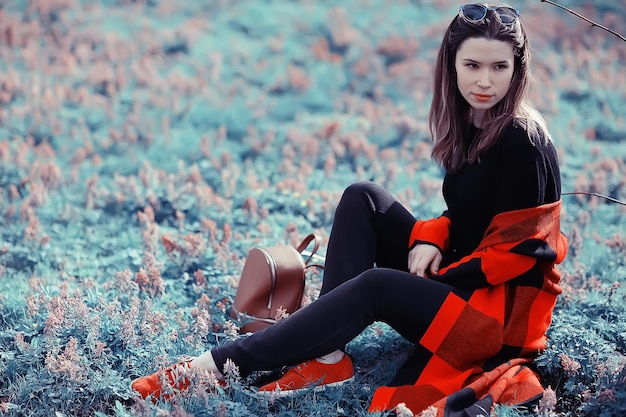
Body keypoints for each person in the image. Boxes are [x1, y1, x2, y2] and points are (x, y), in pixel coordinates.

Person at [131, 3, 568, 415]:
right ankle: (327, 357)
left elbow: (522, 255)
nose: (484, 82)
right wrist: (433, 238)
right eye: (472, 66)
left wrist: (432, 276)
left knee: (378, 285)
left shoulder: (521, 141)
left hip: (490, 323)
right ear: (451, 64)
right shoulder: (478, 119)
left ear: (518, 69)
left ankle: (205, 370)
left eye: (499, 67)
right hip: (465, 279)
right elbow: (477, 216)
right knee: (364, 197)